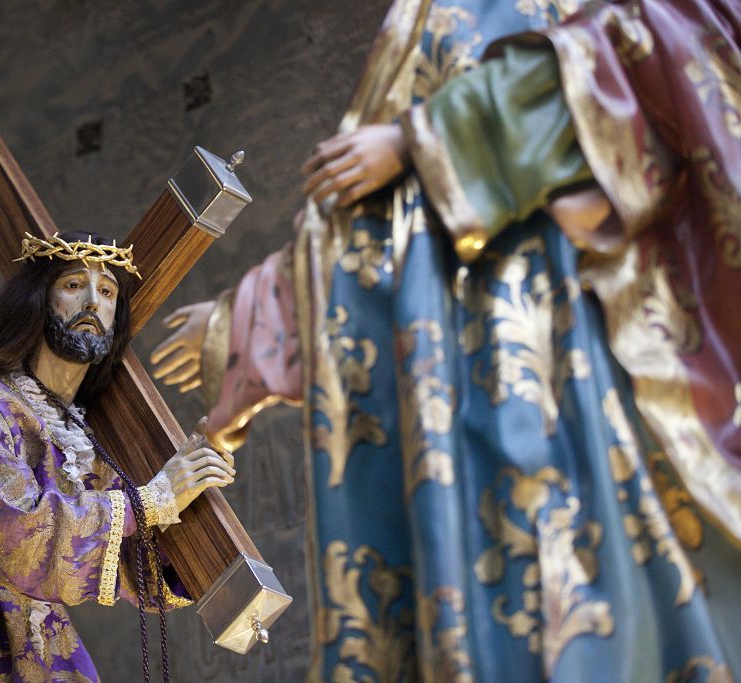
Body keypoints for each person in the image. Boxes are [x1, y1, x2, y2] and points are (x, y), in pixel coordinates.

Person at [152, 0, 741, 680]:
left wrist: (425, 137)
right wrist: (250, 319)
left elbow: (644, 65)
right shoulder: (441, 19)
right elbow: (393, 231)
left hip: (579, 378)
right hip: (470, 407)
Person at [0, 231, 235, 682]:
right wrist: (153, 500)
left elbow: (124, 563)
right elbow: (8, 528)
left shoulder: (80, 439)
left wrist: (195, 495)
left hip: (37, 644)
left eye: (107, 292)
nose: (93, 301)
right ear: (36, 301)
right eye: (74, 286)